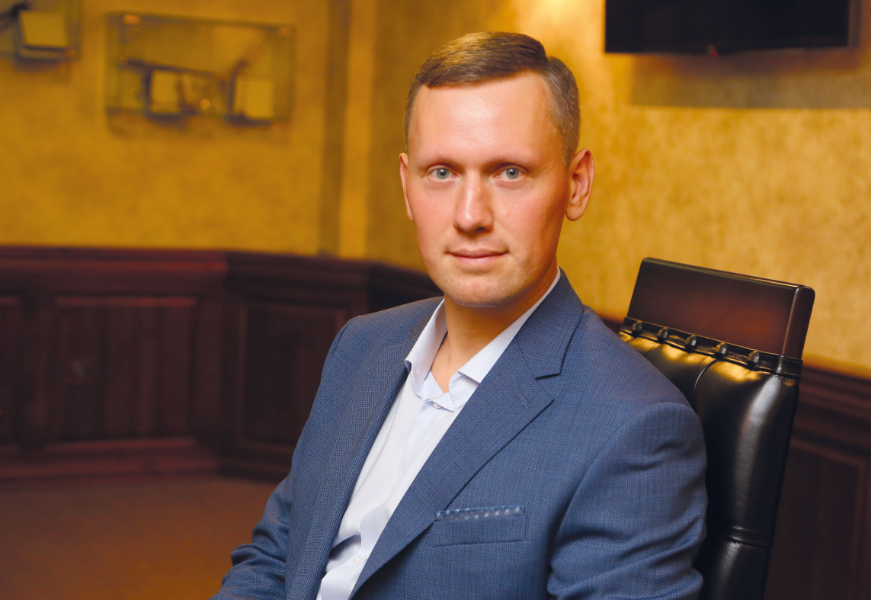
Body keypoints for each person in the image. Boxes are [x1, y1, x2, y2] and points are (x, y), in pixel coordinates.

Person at [212, 31, 706, 600]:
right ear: (407, 187)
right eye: (442, 173)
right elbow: (277, 557)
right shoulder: (361, 345)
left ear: (576, 185)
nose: (470, 215)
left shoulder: (633, 425)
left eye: (509, 172)